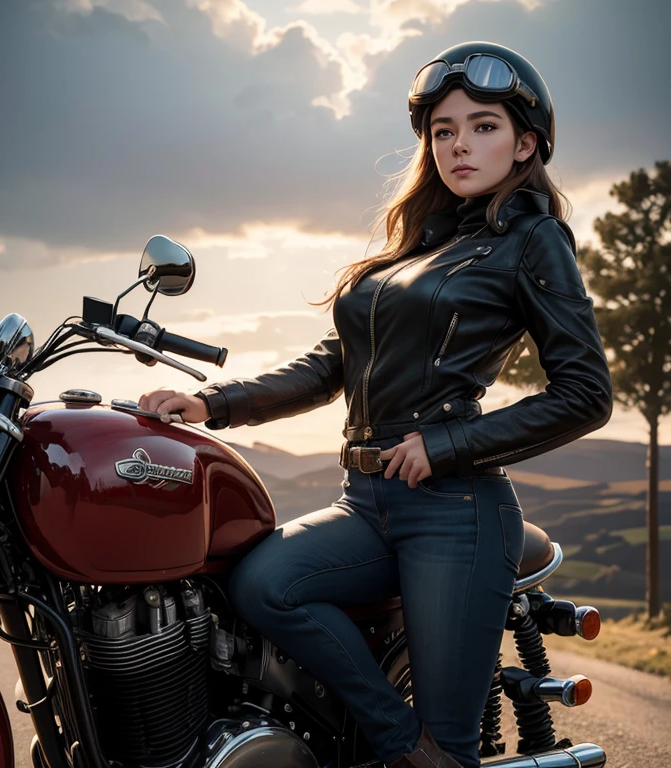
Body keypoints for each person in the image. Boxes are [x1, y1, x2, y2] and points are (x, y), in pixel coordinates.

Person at [139, 41, 613, 768]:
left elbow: (586, 395)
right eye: (444, 130)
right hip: (364, 500)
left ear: (526, 144)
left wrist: (447, 446)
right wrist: (212, 403)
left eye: (483, 126)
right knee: (262, 586)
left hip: (457, 511)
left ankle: (428, 755)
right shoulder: (413, 247)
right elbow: (331, 365)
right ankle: (396, 743)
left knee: (449, 747)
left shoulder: (532, 239)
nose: (459, 144)